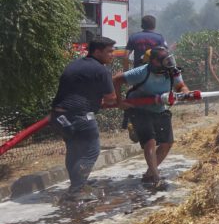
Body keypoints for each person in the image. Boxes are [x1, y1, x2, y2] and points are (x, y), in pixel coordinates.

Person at [50, 36, 119, 201]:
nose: (113, 55)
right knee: (91, 151)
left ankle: (78, 183)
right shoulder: (101, 70)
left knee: (74, 151)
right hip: (79, 117)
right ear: (97, 51)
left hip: (58, 117)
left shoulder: (75, 64)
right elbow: (111, 98)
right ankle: (76, 191)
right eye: (109, 51)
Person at [113, 45, 189, 187]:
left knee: (167, 143)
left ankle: (148, 174)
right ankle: (155, 177)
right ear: (153, 61)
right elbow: (116, 79)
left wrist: (185, 93)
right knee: (150, 142)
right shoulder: (142, 72)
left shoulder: (173, 71)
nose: (168, 63)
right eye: (164, 60)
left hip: (160, 108)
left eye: (169, 59)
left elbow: (181, 86)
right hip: (139, 109)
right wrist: (119, 101)